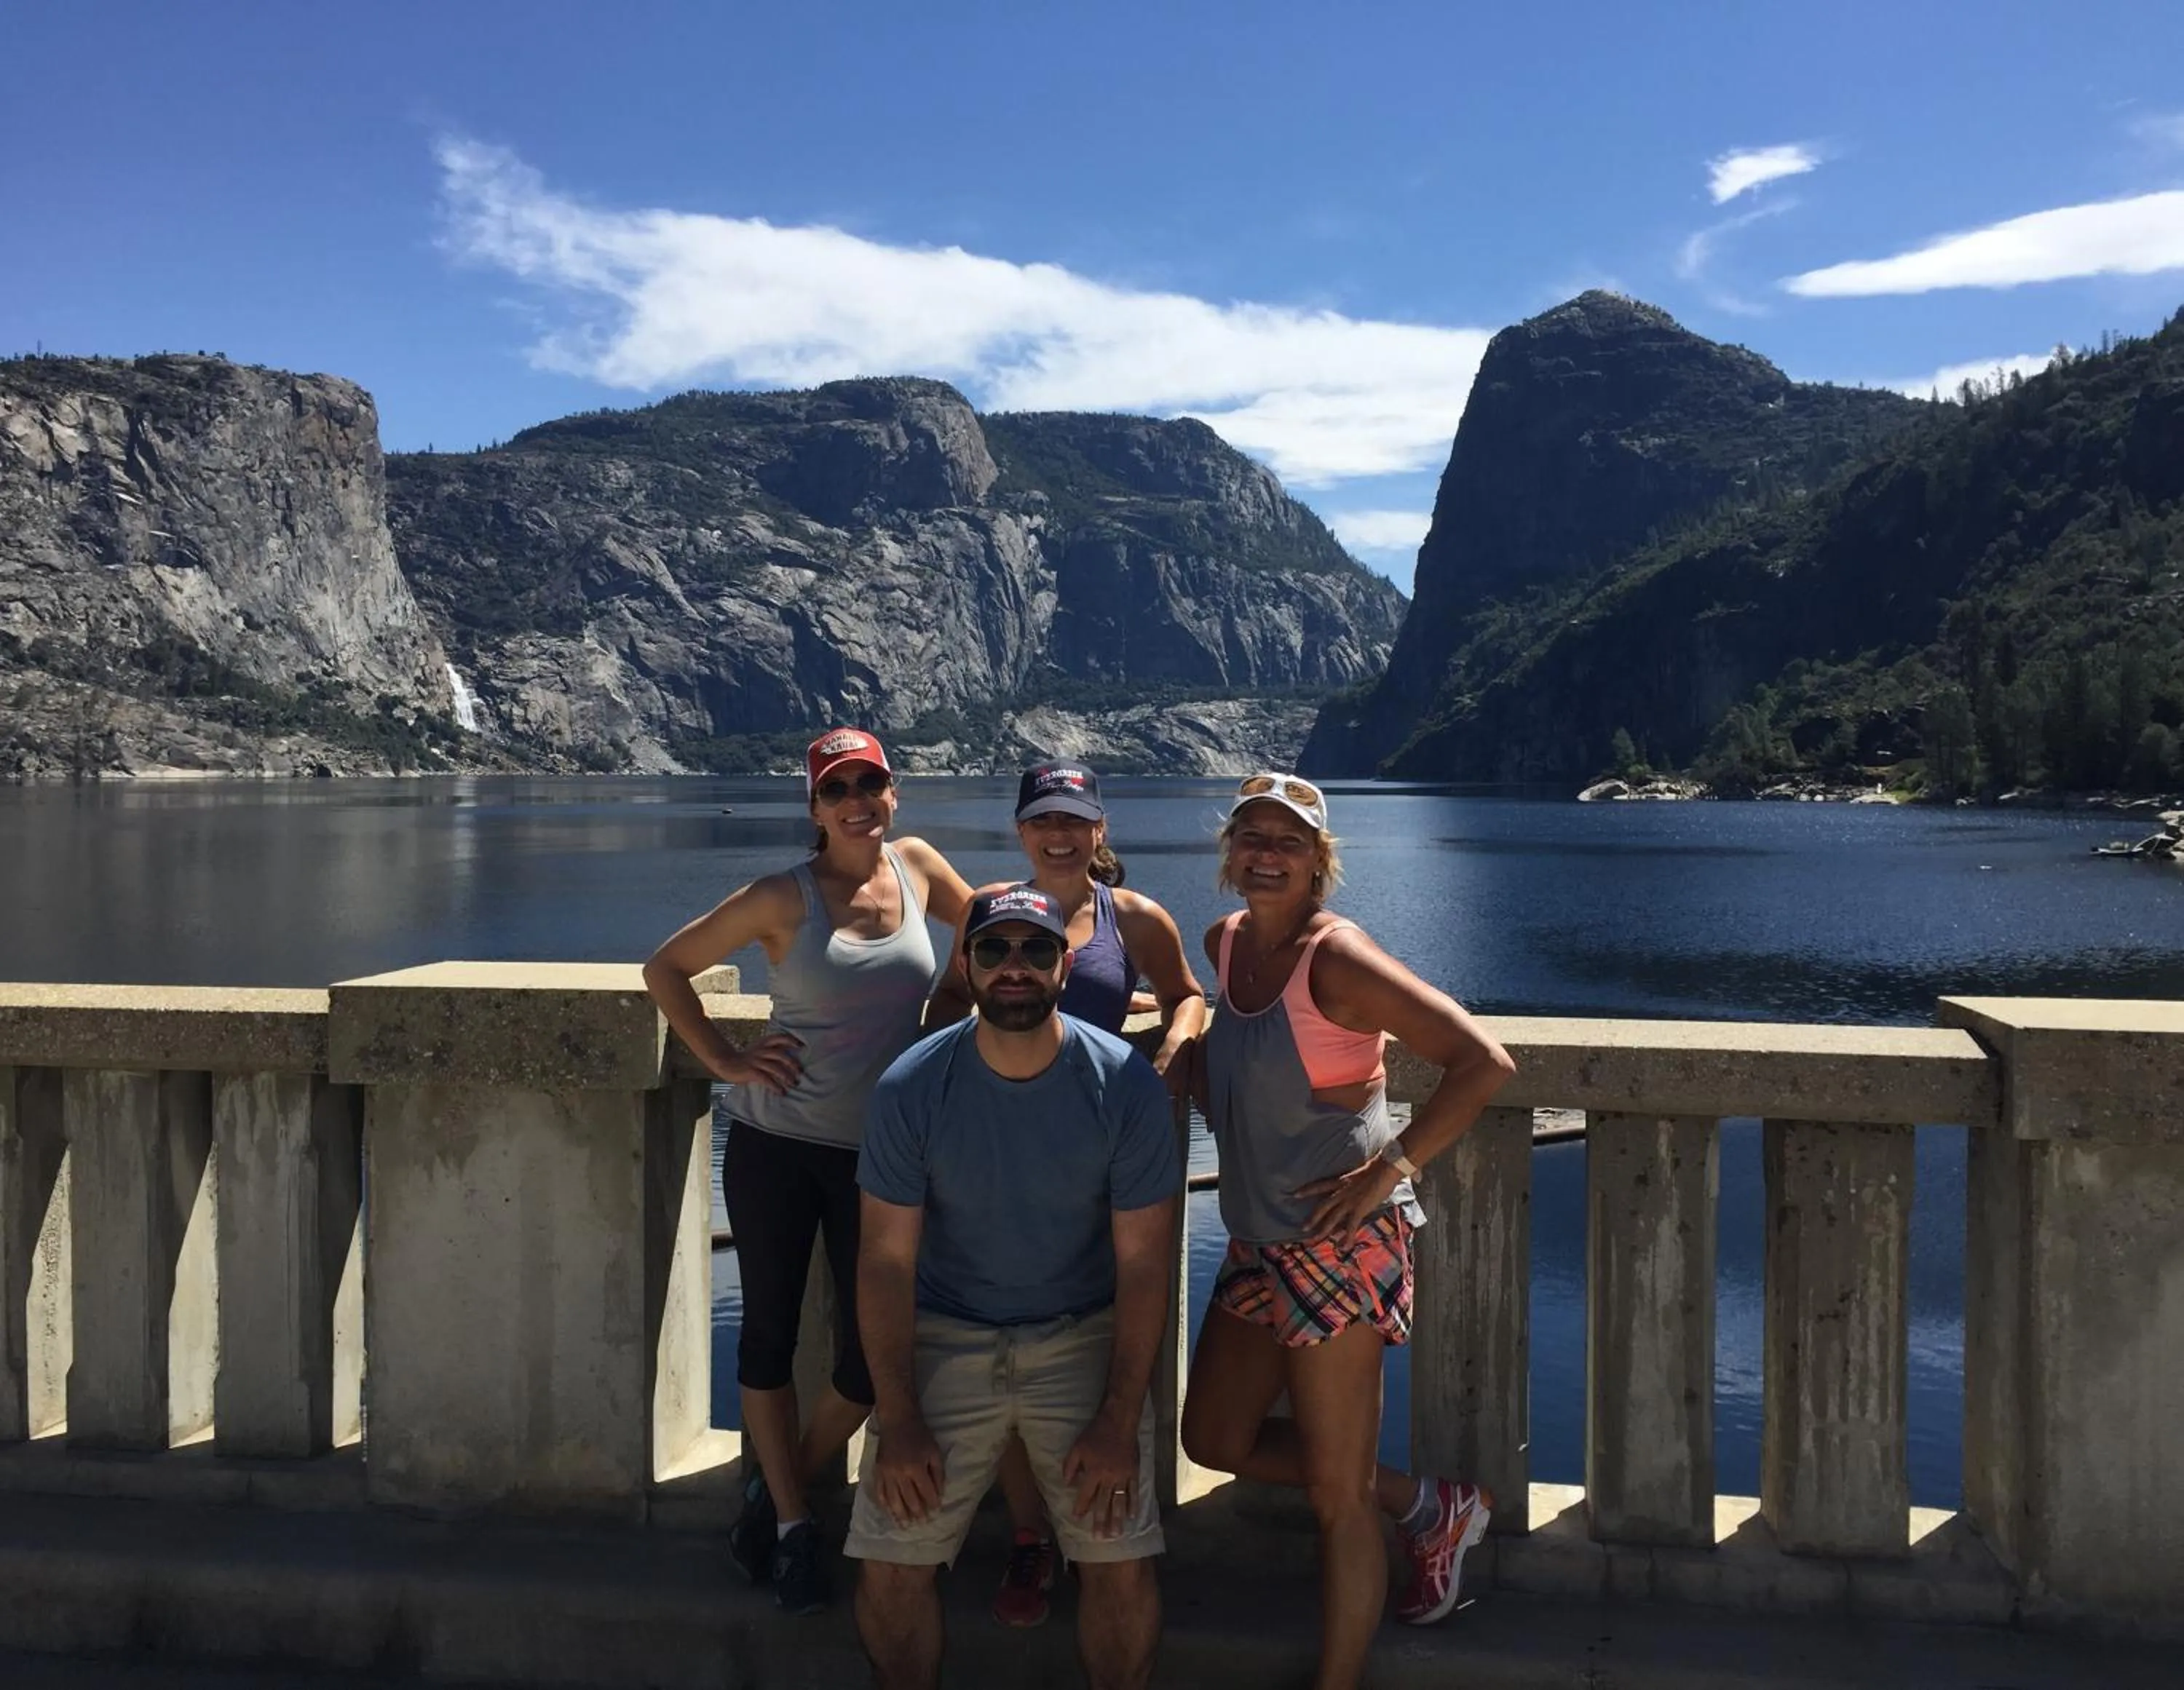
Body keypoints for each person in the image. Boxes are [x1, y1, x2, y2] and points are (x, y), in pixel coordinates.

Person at [1177, 774, 1517, 1690]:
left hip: (1339, 1249)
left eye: (1289, 841)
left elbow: (1482, 1062)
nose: (1266, 854)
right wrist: (1186, 1054)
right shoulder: (1227, 942)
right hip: (1259, 1240)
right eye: (1251, 836)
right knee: (1211, 1438)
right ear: (1229, 852)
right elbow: (1244, 1059)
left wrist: (1387, 1171)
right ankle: (1427, 1506)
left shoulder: (1341, 959)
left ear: (1320, 860)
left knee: (1336, 1496)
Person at [643, 727, 973, 1615]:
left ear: (895, 792)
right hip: (778, 1147)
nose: (857, 799)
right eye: (838, 789)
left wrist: (959, 1005)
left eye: (871, 781)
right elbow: (666, 968)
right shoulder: (781, 899)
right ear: (816, 808)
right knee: (769, 1334)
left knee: (872, 1357)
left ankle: (779, 1480)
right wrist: (725, 1059)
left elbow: (997, 930)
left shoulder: (917, 867)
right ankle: (792, 1522)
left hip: (883, 1158)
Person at [852, 884, 1180, 1690]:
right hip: (946, 1333)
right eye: (995, 950)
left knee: (1118, 1560)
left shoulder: (1125, 1086)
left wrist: (1117, 1415)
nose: (1015, 968)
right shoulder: (911, 1087)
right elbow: (887, 1263)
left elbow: (1144, 1265)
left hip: (1079, 1333)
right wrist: (898, 1419)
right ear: (966, 966)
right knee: (894, 1563)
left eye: (1036, 951)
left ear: (1066, 967)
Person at [967, 762, 1208, 1627]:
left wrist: (1174, 1049)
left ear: (1100, 829)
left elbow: (1188, 996)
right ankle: (1032, 1534)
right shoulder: (996, 912)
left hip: (1108, 1162)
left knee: (1104, 1337)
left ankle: (1104, 1523)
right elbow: (950, 1016)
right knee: (1007, 1338)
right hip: (1006, 1162)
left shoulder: (1132, 918)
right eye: (1044, 820)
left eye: (1076, 819)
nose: (1060, 835)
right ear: (1021, 829)